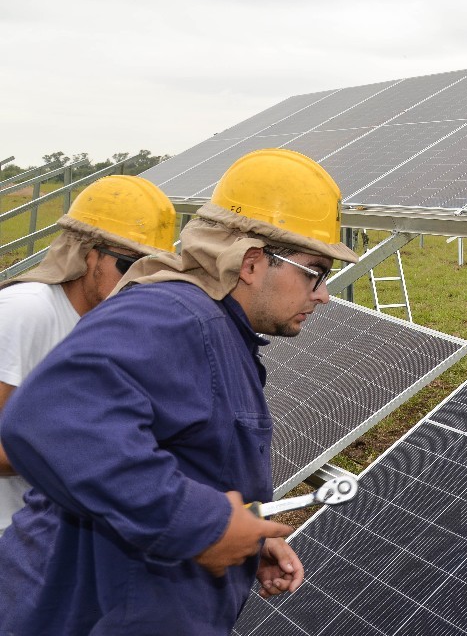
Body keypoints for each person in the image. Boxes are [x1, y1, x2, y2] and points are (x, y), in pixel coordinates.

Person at [0, 148, 359, 636]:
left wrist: (242, 536)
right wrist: (203, 526)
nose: (322, 294)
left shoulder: (220, 332)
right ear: (252, 262)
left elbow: (182, 461)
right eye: (314, 271)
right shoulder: (173, 317)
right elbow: (48, 418)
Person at [0, 175, 177, 535]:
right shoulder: (27, 310)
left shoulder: (114, 325)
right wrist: (93, 456)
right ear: (89, 252)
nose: (138, 281)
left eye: (152, 270)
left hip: (45, 530)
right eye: (130, 265)